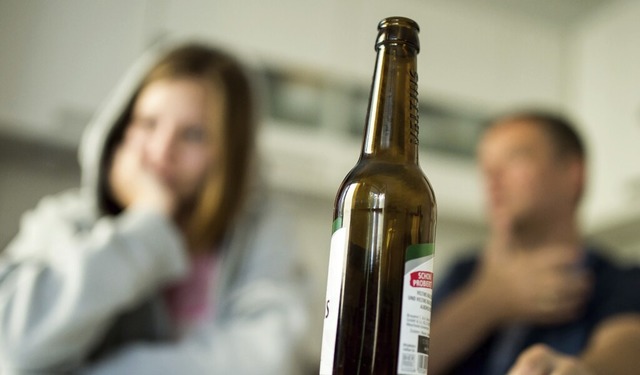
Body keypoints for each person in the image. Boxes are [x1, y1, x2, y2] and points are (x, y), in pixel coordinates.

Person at [0, 41, 308, 374]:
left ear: (229, 153)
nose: (161, 151)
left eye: (193, 134)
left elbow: (269, 358)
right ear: (121, 129)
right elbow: (11, 350)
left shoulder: (261, 233)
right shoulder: (64, 223)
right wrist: (148, 225)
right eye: (147, 123)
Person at [429, 109, 640, 375]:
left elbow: (627, 349)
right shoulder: (464, 274)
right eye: (485, 165)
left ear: (573, 175)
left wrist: (583, 370)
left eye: (516, 158)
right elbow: (403, 362)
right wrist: (489, 301)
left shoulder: (619, 281)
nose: (492, 177)